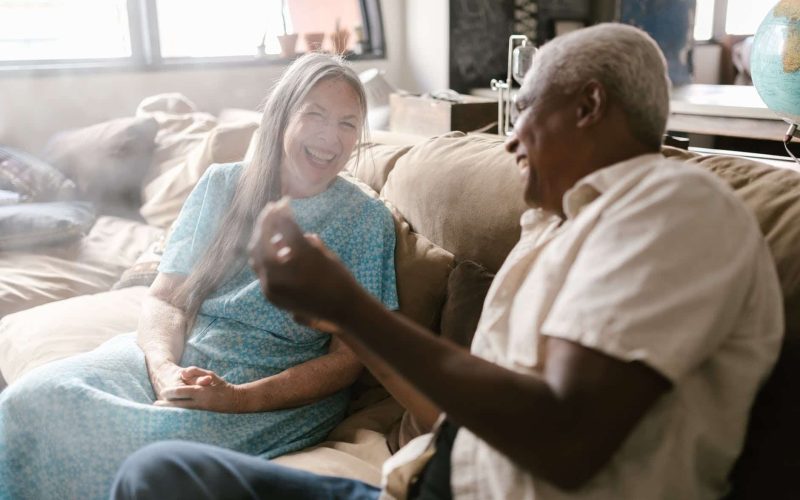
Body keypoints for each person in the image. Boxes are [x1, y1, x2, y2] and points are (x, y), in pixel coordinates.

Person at [111, 23, 783, 500]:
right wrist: (338, 319)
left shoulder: (674, 205)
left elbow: (565, 443)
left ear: (588, 105)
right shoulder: (552, 231)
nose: (509, 138)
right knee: (162, 475)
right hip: (423, 476)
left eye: (521, 113)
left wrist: (353, 309)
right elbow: (461, 421)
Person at [0, 53, 399, 500]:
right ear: (282, 115)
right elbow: (167, 299)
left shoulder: (367, 221)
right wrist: (164, 369)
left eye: (348, 123)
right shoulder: (222, 185)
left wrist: (239, 398)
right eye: (315, 115)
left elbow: (347, 360)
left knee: (134, 449)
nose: (331, 138)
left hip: (267, 391)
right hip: (177, 356)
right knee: (30, 400)